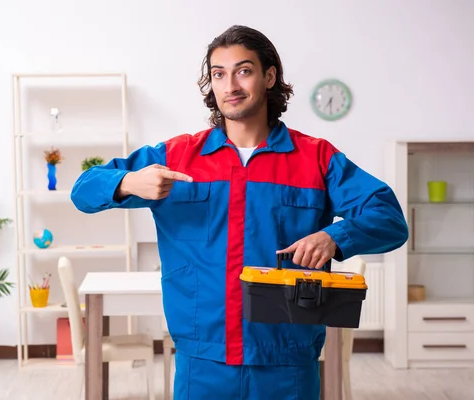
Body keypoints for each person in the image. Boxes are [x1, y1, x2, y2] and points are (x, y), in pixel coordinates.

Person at [70, 25, 409, 400]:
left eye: (243, 71)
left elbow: (389, 217)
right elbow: (83, 190)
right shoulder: (177, 157)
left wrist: (334, 237)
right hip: (202, 363)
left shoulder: (315, 158)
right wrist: (130, 182)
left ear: (269, 77)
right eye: (219, 74)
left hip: (288, 364)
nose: (230, 85)